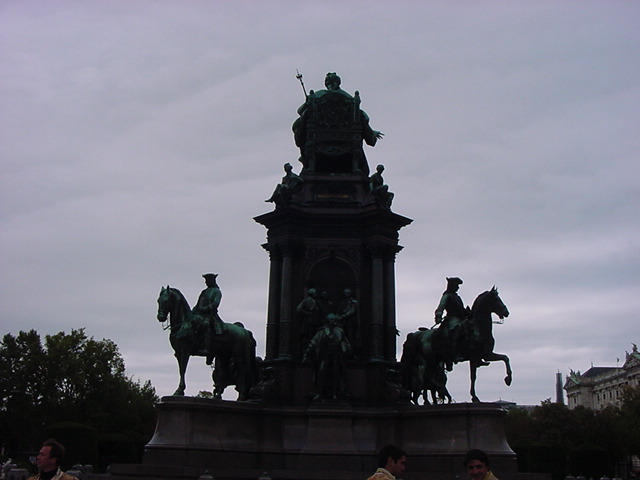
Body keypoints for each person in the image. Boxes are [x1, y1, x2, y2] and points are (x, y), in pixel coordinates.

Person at [302, 314, 352, 400]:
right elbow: (313, 342)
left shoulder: (340, 331)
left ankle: (334, 393)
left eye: (334, 319)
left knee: (335, 374)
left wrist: (347, 349)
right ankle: (319, 393)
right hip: (324, 356)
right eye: (331, 319)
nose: (333, 321)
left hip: (336, 356)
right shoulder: (321, 332)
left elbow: (345, 342)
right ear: (328, 320)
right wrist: (307, 352)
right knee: (321, 373)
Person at [434, 276, 469, 371]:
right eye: (456, 285)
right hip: (452, 319)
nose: (458, 287)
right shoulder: (447, 296)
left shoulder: (457, 297)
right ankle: (452, 354)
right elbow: (441, 306)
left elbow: (460, 309)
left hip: (461, 319)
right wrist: (438, 316)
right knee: (456, 329)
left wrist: (466, 312)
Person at [192, 273, 224, 365]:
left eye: (207, 280)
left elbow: (215, 304)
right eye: (206, 281)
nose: (206, 282)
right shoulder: (204, 292)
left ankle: (206, 348)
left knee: (206, 325)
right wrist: (192, 311)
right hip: (200, 314)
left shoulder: (217, 292)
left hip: (211, 315)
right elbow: (198, 303)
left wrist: (205, 309)